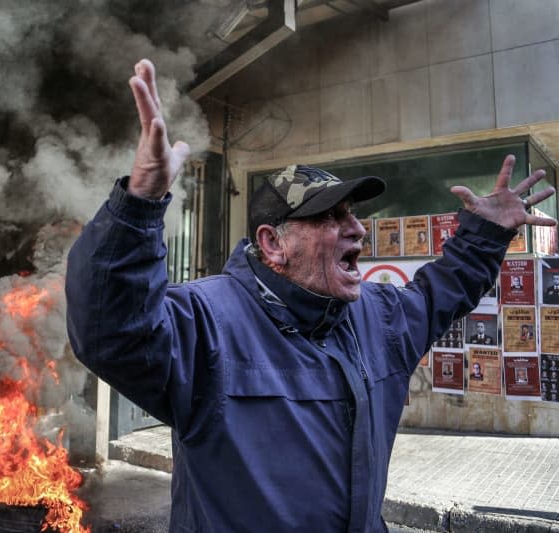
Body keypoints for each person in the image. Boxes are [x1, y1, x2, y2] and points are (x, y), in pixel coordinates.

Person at [64, 59, 556, 531]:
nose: (357, 230)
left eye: (352, 215)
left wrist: (486, 233)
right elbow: (111, 331)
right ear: (272, 244)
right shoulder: (207, 321)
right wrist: (138, 206)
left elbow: (442, 290)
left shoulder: (377, 317)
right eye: (328, 218)